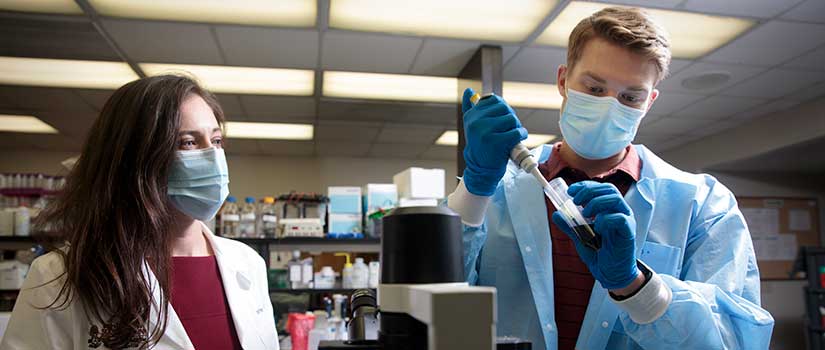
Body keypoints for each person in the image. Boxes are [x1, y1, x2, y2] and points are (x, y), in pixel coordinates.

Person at [448, 7, 774, 350]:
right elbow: (427, 304)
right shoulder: (497, 188)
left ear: (649, 102)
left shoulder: (703, 205)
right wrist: (474, 187)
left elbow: (735, 342)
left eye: (630, 97)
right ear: (563, 80)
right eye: (594, 87)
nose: (609, 105)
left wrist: (635, 286)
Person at [1, 75, 278, 349]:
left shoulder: (247, 264)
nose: (213, 157)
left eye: (216, 141)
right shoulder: (59, 276)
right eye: (188, 142)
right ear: (135, 158)